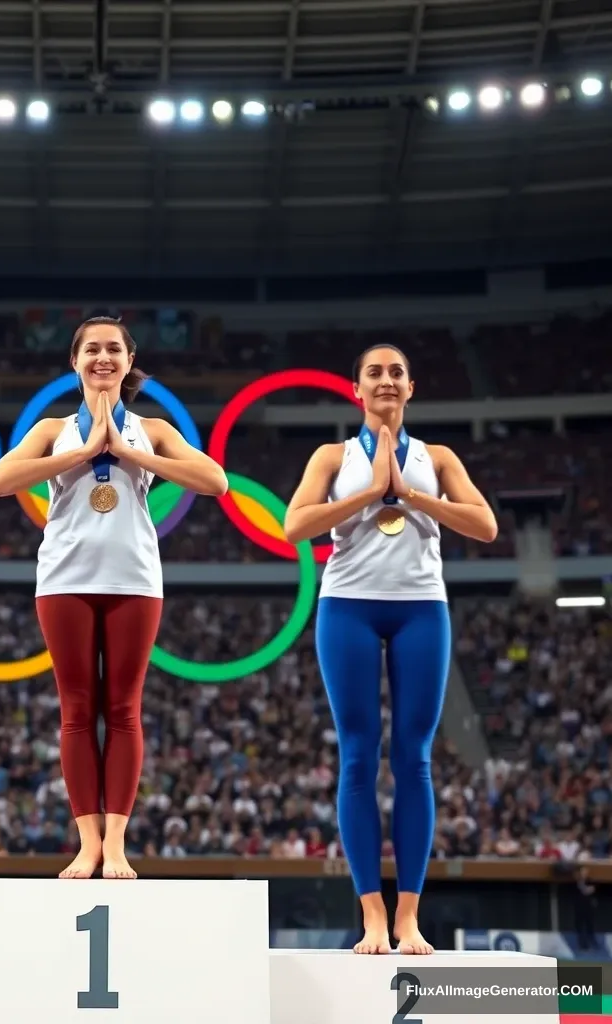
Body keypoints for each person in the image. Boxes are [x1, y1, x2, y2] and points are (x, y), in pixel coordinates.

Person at [0, 316, 227, 879]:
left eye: (112, 349)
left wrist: (126, 451)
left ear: (128, 360)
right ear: (74, 362)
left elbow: (215, 482)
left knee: (122, 710)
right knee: (76, 711)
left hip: (134, 580)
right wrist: (84, 452)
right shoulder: (51, 429)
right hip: (65, 579)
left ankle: (116, 843)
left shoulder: (153, 429)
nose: (102, 357)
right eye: (91, 349)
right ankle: (86, 842)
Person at [283, 345, 497, 956]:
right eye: (373, 373)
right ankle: (371, 916)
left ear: (411, 387)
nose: (384, 380)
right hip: (347, 605)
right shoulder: (332, 456)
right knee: (357, 757)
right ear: (356, 389)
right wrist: (371, 490)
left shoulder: (439, 457)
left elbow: (485, 526)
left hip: (421, 608)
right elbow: (294, 526)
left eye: (395, 372)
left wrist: (409, 493)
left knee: (414, 759)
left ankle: (409, 918)